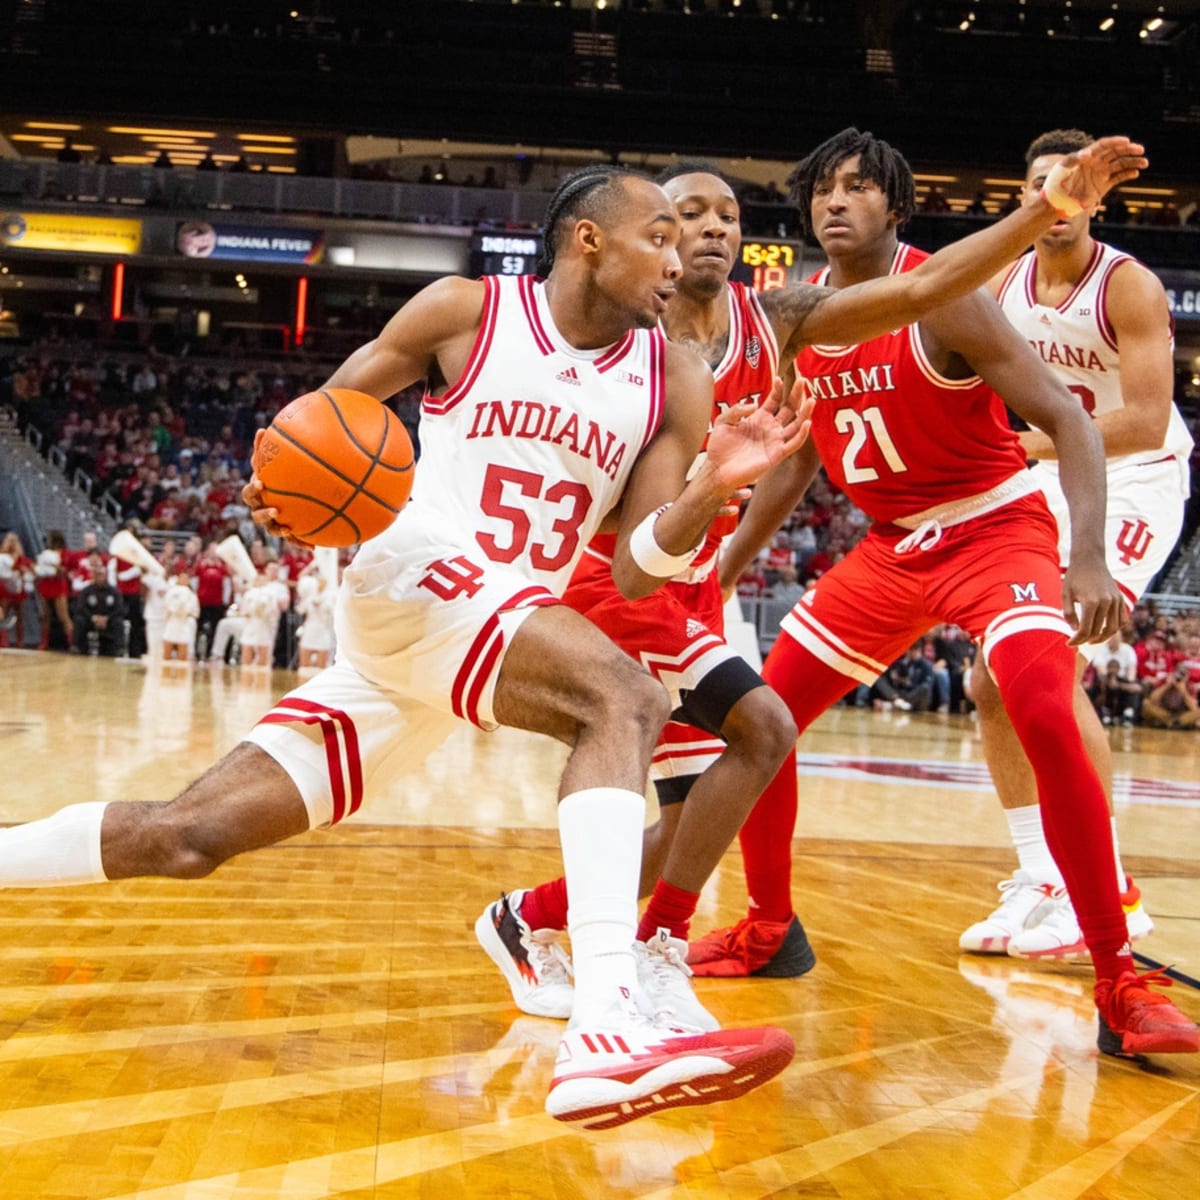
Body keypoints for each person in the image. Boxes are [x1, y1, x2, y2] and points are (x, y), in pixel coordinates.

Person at [0, 165, 812, 1132]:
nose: (676, 261)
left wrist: (711, 485)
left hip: (461, 641)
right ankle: (609, 1024)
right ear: (588, 240)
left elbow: (637, 569)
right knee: (626, 698)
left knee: (187, 837)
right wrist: (285, 487)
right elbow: (322, 425)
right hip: (411, 571)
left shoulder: (674, 377)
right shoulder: (465, 310)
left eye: (684, 245)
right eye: (659, 238)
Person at [469, 143, 1159, 1015]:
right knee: (729, 744)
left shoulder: (781, 318)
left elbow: (911, 308)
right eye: (686, 216)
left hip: (941, 530)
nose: (712, 227)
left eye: (728, 214)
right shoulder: (629, 340)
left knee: (744, 759)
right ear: (648, 242)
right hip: (632, 577)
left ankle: (599, 936)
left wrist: (724, 566)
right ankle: (620, 957)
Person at [694, 127, 1197, 1058]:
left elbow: (1067, 422)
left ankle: (1119, 978)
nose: (835, 203)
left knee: (1039, 703)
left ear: (895, 205)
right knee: (758, 718)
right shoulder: (801, 313)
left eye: (857, 188)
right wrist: (721, 571)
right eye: (821, 191)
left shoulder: (949, 298)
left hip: (993, 524)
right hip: (890, 551)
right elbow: (796, 454)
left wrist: (1085, 557)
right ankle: (769, 927)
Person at [960, 129, 1194, 962]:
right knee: (988, 681)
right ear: (1024, 197)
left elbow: (1144, 419)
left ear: (1095, 197)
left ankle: (1113, 894)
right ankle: (1042, 876)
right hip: (1052, 475)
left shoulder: (1127, 285)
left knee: (1046, 670)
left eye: (1072, 187)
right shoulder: (1000, 277)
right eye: (1040, 186)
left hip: (1132, 479)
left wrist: (1027, 445)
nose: (1056, 202)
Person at [1141, 661, 1200, 730]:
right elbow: (1152, 700)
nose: (1180, 676)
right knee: (1146, 703)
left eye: (1183, 674)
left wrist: (1183, 691)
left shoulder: (1190, 686)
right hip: (1165, 713)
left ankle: (1175, 723)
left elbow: (1194, 707)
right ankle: (1170, 722)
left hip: (1181, 715)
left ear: (1187, 676)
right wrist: (1167, 686)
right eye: (1178, 673)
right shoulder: (1163, 681)